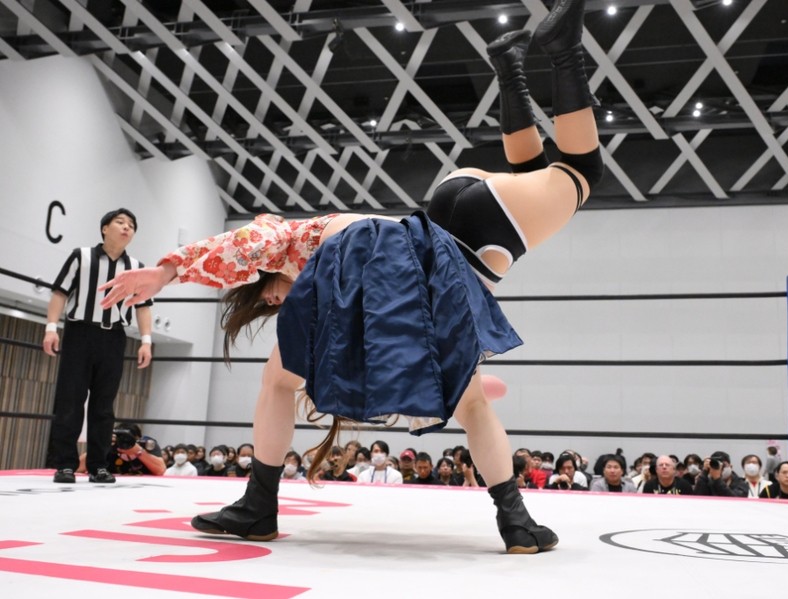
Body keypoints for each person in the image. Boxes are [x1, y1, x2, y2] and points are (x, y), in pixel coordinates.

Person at [99, 0, 601, 554]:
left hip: (450, 241)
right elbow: (258, 251)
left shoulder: (309, 261)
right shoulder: (331, 282)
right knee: (539, 178)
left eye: (274, 298)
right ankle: (510, 68)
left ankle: (564, 51)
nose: (281, 303)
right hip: (449, 219)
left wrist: (167, 270)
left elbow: (250, 245)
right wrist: (170, 270)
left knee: (579, 171)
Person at [43, 208, 153, 484]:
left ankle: (99, 466)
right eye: (120, 222)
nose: (126, 227)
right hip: (79, 333)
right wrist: (51, 327)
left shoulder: (136, 267)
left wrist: (146, 341)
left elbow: (143, 307)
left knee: (104, 405)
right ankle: (65, 464)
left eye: (131, 225)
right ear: (105, 228)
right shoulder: (81, 256)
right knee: (70, 400)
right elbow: (60, 292)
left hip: (114, 337)